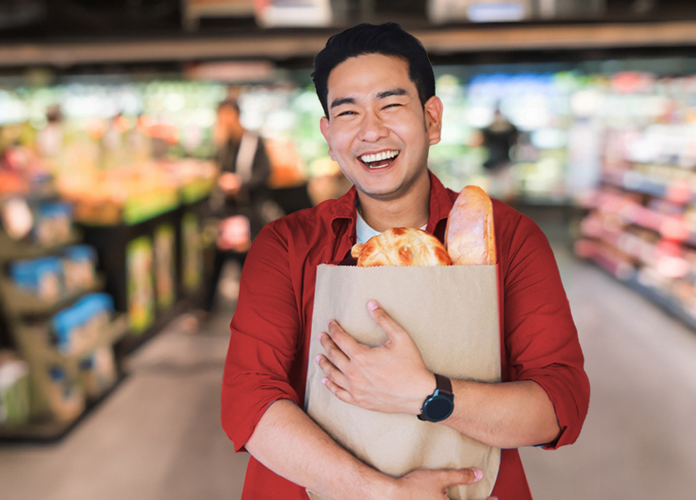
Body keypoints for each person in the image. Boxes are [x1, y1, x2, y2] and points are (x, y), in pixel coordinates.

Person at [220, 22, 589, 500]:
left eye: (390, 104)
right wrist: (385, 493)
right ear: (329, 136)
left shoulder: (508, 238)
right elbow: (249, 401)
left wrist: (428, 395)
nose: (371, 130)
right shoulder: (286, 245)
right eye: (348, 112)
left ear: (432, 120)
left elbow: (560, 405)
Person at [200, 99, 272, 314]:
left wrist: (240, 184)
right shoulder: (223, 144)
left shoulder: (253, 142)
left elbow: (265, 173)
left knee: (248, 262)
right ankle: (205, 309)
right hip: (224, 214)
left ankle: (256, 308)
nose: (225, 122)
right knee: (215, 262)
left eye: (228, 116)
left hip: (247, 213)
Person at [480, 107, 520, 202]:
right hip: (493, 163)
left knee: (507, 190)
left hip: (504, 162)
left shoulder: (510, 129)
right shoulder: (488, 129)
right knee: (491, 190)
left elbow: (515, 141)